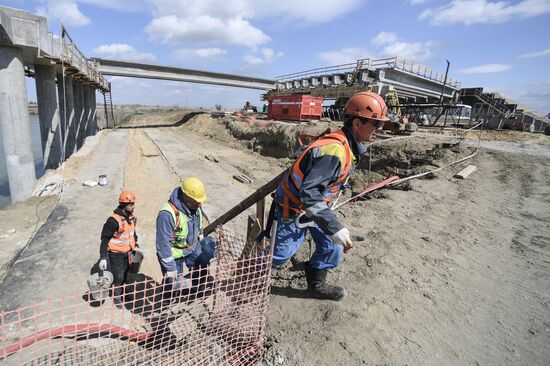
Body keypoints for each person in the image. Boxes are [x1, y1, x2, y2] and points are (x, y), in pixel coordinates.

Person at [272, 91, 389, 301]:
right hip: (295, 208)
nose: (379, 130)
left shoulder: (348, 145)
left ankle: (316, 285)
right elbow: (309, 194)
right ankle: (246, 275)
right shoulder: (334, 150)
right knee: (280, 256)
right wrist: (334, 227)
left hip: (316, 209)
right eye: (375, 124)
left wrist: (332, 228)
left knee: (333, 246)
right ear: (356, 124)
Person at [156, 177, 215, 304]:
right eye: (196, 201)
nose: (199, 204)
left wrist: (200, 235)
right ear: (187, 198)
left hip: (192, 247)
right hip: (174, 253)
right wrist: (170, 268)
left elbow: (198, 222)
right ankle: (168, 301)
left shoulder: (195, 207)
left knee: (203, 264)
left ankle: (195, 291)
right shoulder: (167, 214)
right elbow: (162, 245)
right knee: (172, 282)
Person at [99, 191, 139, 309]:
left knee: (127, 274)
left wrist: (135, 242)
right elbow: (104, 238)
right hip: (116, 254)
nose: (133, 206)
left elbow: (132, 231)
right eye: (131, 204)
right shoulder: (113, 221)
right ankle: (117, 297)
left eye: (133, 204)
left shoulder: (131, 216)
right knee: (119, 276)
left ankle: (125, 293)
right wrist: (103, 257)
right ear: (123, 204)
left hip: (128, 251)